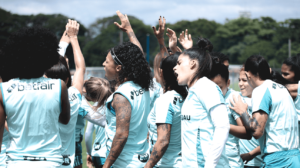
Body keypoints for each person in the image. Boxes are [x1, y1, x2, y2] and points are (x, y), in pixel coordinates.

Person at [0, 27, 70, 167]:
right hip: (51, 162)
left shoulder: (3, 90)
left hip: (17, 162)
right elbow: (65, 119)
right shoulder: (59, 86)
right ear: (48, 57)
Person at [102, 10, 152, 168]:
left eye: (106, 61)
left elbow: (122, 134)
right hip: (141, 159)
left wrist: (106, 165)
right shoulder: (143, 85)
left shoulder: (121, 95)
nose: (103, 64)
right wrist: (130, 31)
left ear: (118, 68)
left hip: (124, 163)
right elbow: (138, 58)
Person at [229, 55, 300, 167]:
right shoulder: (282, 89)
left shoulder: (260, 90)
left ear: (248, 74)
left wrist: (243, 112)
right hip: (295, 157)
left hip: (277, 160)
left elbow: (256, 132)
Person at [173, 38, 230, 168]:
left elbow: (222, 126)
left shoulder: (205, 87)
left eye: (179, 63)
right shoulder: (193, 91)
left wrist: (209, 165)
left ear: (193, 64)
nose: (174, 67)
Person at [45, 19, 85, 168]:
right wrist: (73, 38)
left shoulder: (40, 96)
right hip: (67, 162)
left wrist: (64, 40)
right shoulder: (73, 96)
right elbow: (80, 68)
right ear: (68, 77)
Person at [145, 53, 187, 168]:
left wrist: (147, 166)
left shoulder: (166, 100)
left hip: (167, 163)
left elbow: (163, 141)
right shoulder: (187, 96)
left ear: (161, 72)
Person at [210, 63, 244, 168]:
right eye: (212, 87)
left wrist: (223, 125)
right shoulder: (206, 97)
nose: (216, 91)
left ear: (228, 83)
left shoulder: (233, 98)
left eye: (220, 87)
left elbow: (245, 132)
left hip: (231, 162)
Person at [236, 67, 263, 168]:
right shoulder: (236, 99)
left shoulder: (263, 103)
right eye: (239, 80)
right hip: (240, 162)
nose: (240, 84)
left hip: (259, 162)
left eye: (244, 80)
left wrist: (251, 154)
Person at [84, 77, 112, 168]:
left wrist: (89, 152)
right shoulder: (115, 104)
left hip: (96, 153)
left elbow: (88, 133)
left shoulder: (94, 107)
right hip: (109, 154)